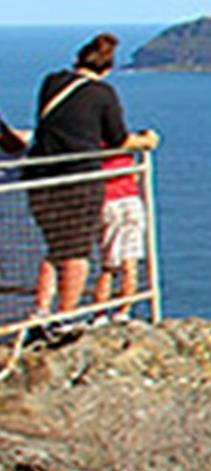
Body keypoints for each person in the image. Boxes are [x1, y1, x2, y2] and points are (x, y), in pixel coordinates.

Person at [27, 33, 158, 330]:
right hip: (78, 179)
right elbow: (119, 139)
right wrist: (146, 142)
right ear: (107, 68)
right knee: (77, 252)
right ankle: (66, 317)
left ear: (77, 59)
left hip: (38, 177)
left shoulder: (52, 82)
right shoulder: (103, 93)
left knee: (56, 247)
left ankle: (41, 310)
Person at [91, 150, 146, 322]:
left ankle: (100, 314)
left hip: (107, 202)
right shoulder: (125, 144)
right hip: (130, 201)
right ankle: (123, 312)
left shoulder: (93, 145)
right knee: (130, 265)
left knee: (108, 266)